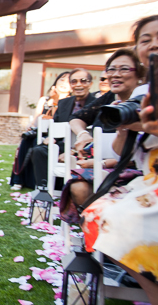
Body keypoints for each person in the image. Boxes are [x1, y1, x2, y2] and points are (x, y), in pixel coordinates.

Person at [80, 15, 158, 256]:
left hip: (144, 180)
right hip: (148, 178)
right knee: (94, 213)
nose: (154, 44)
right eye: (146, 40)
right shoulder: (141, 93)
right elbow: (119, 151)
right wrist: (125, 125)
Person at [58, 51, 145, 223]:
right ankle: (93, 229)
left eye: (124, 69)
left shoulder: (147, 102)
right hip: (99, 159)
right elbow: (76, 118)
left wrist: (101, 162)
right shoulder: (109, 98)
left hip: (131, 166)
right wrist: (83, 134)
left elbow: (141, 152)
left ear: (140, 75)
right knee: (78, 185)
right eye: (111, 69)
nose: (115, 74)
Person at [10, 70, 75, 190]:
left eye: (68, 80)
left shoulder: (72, 102)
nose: (64, 83)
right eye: (62, 79)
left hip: (59, 138)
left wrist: (58, 100)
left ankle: (37, 181)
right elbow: (36, 119)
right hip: (40, 132)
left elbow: (60, 121)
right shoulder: (45, 100)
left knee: (37, 144)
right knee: (26, 142)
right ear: (55, 82)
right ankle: (18, 179)